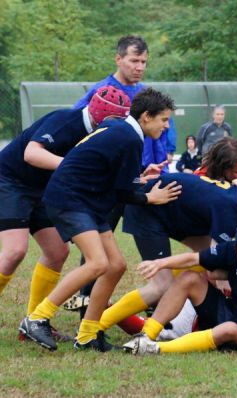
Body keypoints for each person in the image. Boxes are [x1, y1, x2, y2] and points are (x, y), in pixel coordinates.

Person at [19, 88, 182, 352]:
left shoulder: (123, 131)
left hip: (89, 201)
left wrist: (139, 180)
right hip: (70, 199)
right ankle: (37, 318)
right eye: (163, 119)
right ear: (146, 116)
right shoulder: (129, 138)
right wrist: (151, 197)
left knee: (116, 265)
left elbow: (115, 180)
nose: (166, 125)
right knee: (97, 263)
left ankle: (87, 336)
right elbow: (124, 193)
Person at [0, 87, 131, 340]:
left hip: (43, 189)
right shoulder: (65, 120)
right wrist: (73, 166)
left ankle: (33, 323)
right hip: (10, 181)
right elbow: (31, 153)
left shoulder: (101, 134)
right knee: (15, 251)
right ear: (101, 116)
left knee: (58, 252)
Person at [96, 177, 237, 336]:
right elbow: (215, 269)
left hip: (172, 215)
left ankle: (183, 292)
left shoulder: (236, 202)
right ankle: (95, 325)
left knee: (206, 260)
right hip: (149, 214)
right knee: (161, 285)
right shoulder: (229, 210)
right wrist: (229, 290)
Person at [122, 220, 237, 355]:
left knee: (229, 329)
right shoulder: (233, 251)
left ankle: (156, 349)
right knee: (190, 277)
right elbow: (193, 258)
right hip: (229, 309)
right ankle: (146, 336)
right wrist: (160, 263)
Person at [73, 35, 177, 171]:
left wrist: (164, 167)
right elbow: (77, 124)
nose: (140, 67)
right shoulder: (102, 93)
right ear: (118, 59)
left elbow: (164, 129)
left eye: (143, 62)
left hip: (151, 170)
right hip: (117, 172)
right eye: (134, 61)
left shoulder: (148, 94)